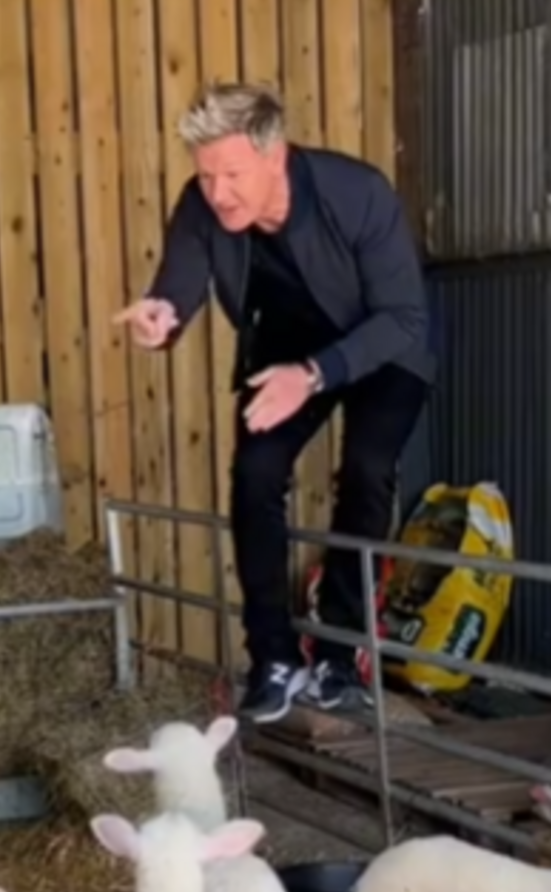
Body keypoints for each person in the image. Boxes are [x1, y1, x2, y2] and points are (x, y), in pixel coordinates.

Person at [113, 82, 436, 725]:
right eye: (206, 176)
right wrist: (161, 317)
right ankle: (274, 658)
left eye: (232, 174)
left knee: (368, 470)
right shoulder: (202, 203)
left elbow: (403, 316)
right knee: (255, 473)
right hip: (285, 345)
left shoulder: (357, 193)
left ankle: (340, 656)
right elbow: (177, 285)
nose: (218, 193)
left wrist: (314, 375)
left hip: (381, 343)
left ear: (275, 155)